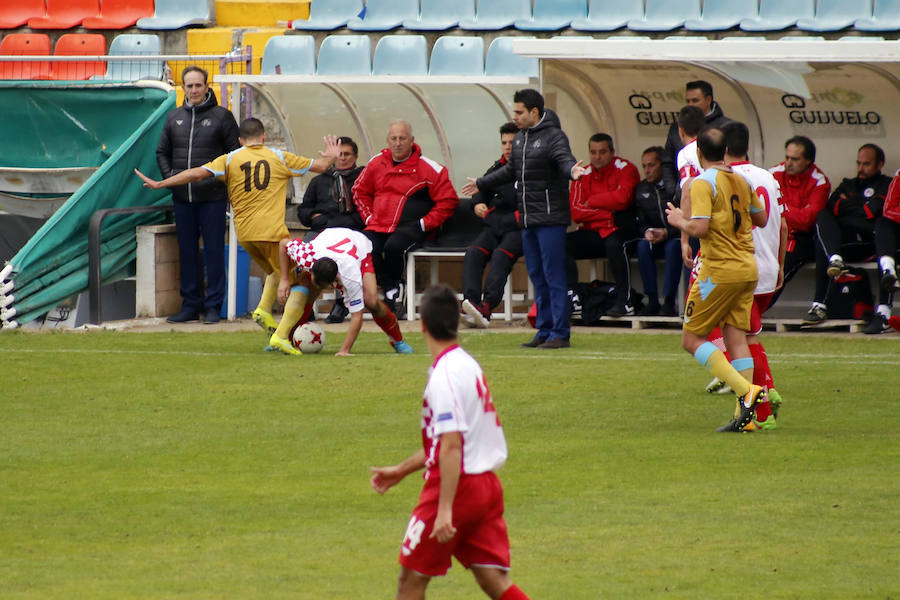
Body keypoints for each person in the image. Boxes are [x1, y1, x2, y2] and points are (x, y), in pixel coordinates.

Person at [369, 284, 530, 600]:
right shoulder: (467, 364)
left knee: (410, 582)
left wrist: (445, 510)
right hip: (485, 486)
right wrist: (402, 469)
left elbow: (452, 446)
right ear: (456, 323)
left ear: (423, 325)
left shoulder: (444, 377)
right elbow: (447, 441)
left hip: (458, 488)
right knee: (492, 579)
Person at [136, 118, 340, 354]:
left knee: (275, 271)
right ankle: (282, 336)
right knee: (301, 282)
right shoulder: (280, 157)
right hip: (272, 233)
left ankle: (263, 310)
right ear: (264, 137)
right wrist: (331, 155)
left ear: (240, 140)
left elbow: (195, 174)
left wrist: (162, 184)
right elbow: (322, 167)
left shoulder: (230, 158)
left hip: (244, 234)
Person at [462, 89, 586, 349]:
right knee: (537, 275)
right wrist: (481, 183)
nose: (514, 116)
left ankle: (560, 333)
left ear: (534, 112)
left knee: (553, 275)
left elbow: (564, 160)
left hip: (551, 219)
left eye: (519, 112)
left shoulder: (554, 136)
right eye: (514, 111)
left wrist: (572, 170)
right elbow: (510, 170)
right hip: (528, 219)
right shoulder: (520, 139)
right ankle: (544, 329)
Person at [665, 127, 769, 433]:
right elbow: (760, 219)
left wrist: (678, 220)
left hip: (719, 271)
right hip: (746, 269)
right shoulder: (741, 179)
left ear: (699, 154)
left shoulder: (702, 182)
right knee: (736, 337)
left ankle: (745, 391)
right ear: (725, 151)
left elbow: (699, 228)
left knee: (690, 338)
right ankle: (745, 418)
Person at [703, 122, 787, 430]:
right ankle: (767, 391)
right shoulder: (769, 177)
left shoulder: (724, 180)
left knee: (738, 338)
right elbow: (782, 226)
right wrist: (779, 267)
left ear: (722, 149)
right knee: (745, 335)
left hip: (738, 269)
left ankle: (761, 409)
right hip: (767, 268)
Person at [156, 65, 240, 324]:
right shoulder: (173, 118)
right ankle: (190, 305)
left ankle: (214, 306)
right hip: (182, 200)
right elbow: (161, 152)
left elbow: (235, 156)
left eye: (198, 85)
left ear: (207, 87)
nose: (194, 90)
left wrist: (219, 181)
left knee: (214, 253)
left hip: (212, 199)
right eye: (189, 85)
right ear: (183, 88)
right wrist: (172, 180)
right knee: (187, 253)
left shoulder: (222, 117)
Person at [352, 119, 459, 316]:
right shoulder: (376, 163)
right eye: (393, 138)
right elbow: (359, 191)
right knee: (362, 246)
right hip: (378, 225)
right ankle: (392, 287)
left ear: (412, 141)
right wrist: (368, 218)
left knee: (394, 246)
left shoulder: (430, 168)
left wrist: (424, 223)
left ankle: (393, 292)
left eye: (402, 138)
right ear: (387, 140)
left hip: (412, 227)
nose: (397, 143)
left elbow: (449, 201)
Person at [277, 227, 413, 355]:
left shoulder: (350, 277)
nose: (320, 289)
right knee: (306, 290)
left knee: (371, 301)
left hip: (359, 247)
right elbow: (283, 243)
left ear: (335, 280)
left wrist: (344, 350)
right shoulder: (305, 256)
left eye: (325, 286)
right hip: (329, 238)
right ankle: (284, 337)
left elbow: (357, 316)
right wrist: (284, 280)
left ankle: (397, 340)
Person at [802, 144, 892, 331]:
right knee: (822, 220)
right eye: (858, 163)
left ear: (879, 164)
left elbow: (874, 211)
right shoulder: (848, 184)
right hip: (847, 245)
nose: (860, 168)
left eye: (866, 164)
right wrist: (861, 210)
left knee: (882, 227)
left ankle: (883, 312)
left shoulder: (886, 184)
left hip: (873, 244)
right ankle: (821, 300)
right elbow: (833, 207)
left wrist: (849, 211)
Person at [566, 133, 641, 317]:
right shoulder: (582, 174)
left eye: (602, 152)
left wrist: (591, 201)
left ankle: (625, 301)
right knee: (560, 243)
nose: (597, 157)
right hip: (598, 230)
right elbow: (575, 212)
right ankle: (572, 297)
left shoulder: (626, 169)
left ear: (612, 152)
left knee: (615, 244)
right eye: (593, 152)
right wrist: (608, 214)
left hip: (621, 231)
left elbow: (623, 199)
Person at [296, 136, 365, 324]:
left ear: (356, 156)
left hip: (350, 233)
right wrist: (314, 217)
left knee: (346, 257)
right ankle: (305, 304)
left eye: (347, 154)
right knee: (302, 253)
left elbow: (364, 213)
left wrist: (331, 220)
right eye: (339, 154)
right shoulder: (319, 181)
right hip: (321, 232)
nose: (342, 158)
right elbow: (303, 212)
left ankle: (342, 303)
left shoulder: (362, 179)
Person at [460, 122, 522, 329]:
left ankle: (487, 306)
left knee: (501, 255)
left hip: (518, 229)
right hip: (494, 226)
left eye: (512, 142)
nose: (507, 146)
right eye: (504, 142)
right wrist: (477, 204)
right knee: (473, 252)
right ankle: (471, 304)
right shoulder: (497, 167)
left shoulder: (529, 169)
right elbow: (480, 190)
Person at [768, 136, 831, 308]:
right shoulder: (773, 174)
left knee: (777, 271)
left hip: (802, 240)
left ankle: (753, 314)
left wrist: (779, 210)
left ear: (808, 161)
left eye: (795, 159)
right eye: (787, 157)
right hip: (773, 236)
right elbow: (763, 209)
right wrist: (788, 212)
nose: (788, 163)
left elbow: (807, 221)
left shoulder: (820, 181)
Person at [662, 80, 731, 203]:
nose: (690, 105)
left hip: (718, 197)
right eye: (687, 101)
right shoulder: (676, 128)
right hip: (685, 198)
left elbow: (735, 160)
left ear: (708, 100)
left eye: (695, 100)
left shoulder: (726, 126)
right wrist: (674, 192)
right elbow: (667, 162)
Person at [634, 146, 681, 316]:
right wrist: (647, 231)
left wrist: (667, 232)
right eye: (644, 166)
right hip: (656, 238)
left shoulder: (675, 187)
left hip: (675, 236)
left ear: (662, 165)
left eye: (651, 165)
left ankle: (669, 301)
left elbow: (687, 219)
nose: (647, 170)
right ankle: (652, 301)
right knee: (643, 246)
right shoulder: (641, 189)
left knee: (673, 248)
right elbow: (639, 221)